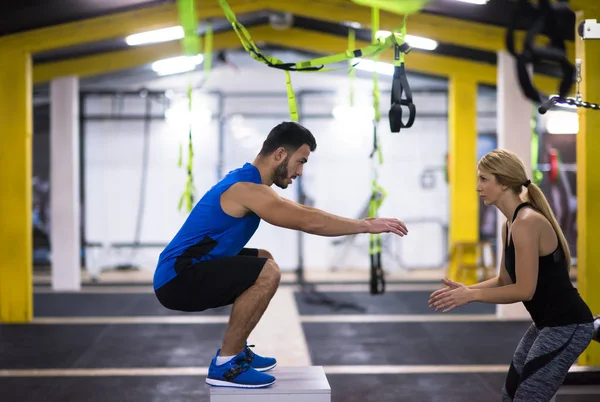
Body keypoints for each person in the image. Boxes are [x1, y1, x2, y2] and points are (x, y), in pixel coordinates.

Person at [153, 121, 408, 389]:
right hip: (177, 279)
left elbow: (305, 213)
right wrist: (364, 226)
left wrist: (363, 222)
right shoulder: (245, 189)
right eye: (300, 161)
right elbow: (307, 222)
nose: (299, 171)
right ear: (279, 154)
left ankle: (236, 351)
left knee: (264, 258)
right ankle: (225, 365)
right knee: (268, 272)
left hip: (186, 270)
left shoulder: (250, 182)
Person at [428, 149, 594, 402]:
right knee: (511, 395)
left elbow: (524, 290)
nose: (477, 187)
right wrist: (465, 290)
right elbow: (505, 280)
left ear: (504, 182)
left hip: (568, 324)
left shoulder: (527, 222)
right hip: (546, 324)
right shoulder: (510, 224)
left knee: (527, 398)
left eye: (484, 179)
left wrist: (471, 296)